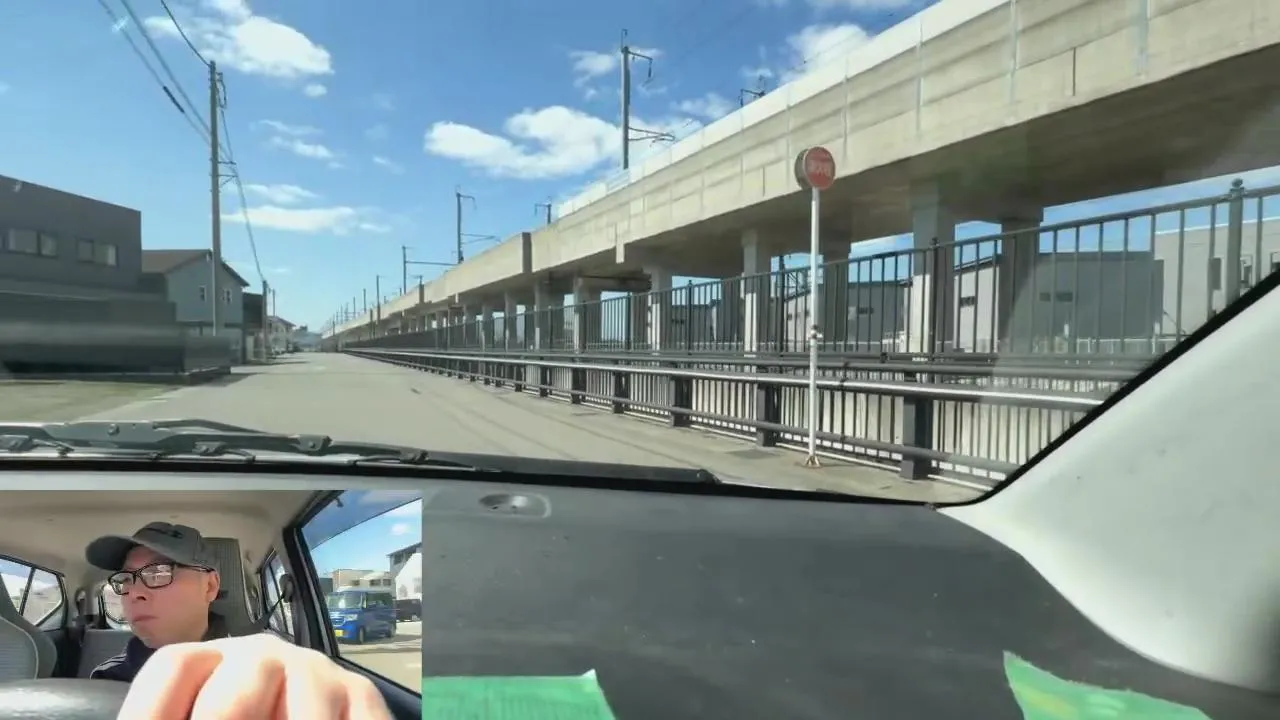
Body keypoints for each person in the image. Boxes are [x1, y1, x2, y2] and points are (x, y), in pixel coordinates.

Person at [86, 522, 393, 719]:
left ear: (210, 586)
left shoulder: (259, 662)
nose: (134, 592)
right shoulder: (105, 681)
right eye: (126, 579)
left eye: (158, 573)